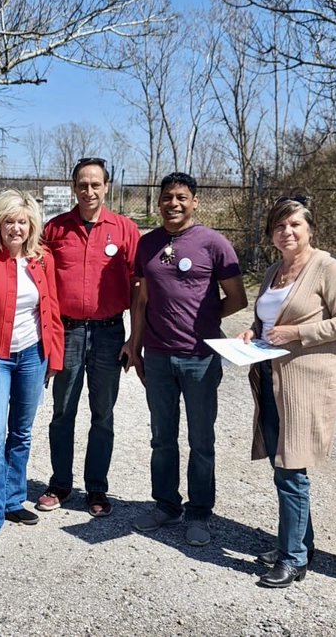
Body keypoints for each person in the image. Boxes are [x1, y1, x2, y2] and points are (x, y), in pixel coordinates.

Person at [236, 196, 336, 588]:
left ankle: (293, 559)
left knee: (292, 469)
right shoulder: (275, 270)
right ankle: (298, 543)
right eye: (279, 226)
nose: (286, 232)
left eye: (294, 225)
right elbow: (267, 319)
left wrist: (298, 333)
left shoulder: (326, 267)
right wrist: (252, 332)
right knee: (281, 466)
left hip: (306, 384)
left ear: (310, 228)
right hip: (271, 380)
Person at [125, 171, 246, 546]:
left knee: (200, 439)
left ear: (195, 201)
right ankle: (166, 505)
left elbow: (238, 298)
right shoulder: (147, 246)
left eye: (181, 197)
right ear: (158, 202)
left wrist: (204, 320)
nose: (173, 204)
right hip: (159, 357)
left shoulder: (214, 243)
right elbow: (142, 300)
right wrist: (136, 344)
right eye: (167, 197)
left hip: (200, 359)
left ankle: (199, 512)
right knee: (162, 437)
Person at [0, 190, 64, 551]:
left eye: (22, 222)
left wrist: (55, 359)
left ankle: (13, 500)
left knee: (21, 432)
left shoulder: (42, 260)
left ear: (31, 225)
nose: (16, 228)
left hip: (33, 357)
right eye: (9, 221)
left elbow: (52, 310)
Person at [37, 157, 140, 517]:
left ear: (107, 186)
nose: (89, 190)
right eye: (82, 184)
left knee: (103, 414)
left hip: (110, 333)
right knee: (63, 411)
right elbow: (41, 284)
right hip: (68, 332)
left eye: (96, 184)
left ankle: (96, 488)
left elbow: (139, 286)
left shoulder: (125, 229)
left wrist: (135, 340)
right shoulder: (54, 230)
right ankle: (60, 484)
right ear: (73, 187)